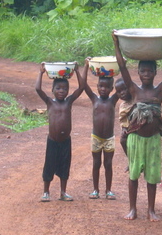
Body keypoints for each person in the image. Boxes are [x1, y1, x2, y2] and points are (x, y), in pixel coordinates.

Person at [113, 29, 162, 221]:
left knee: (151, 178)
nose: (146, 74)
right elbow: (122, 66)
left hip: (153, 141)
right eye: (143, 71)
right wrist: (116, 43)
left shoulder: (160, 90)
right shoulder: (133, 90)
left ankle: (151, 210)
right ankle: (132, 209)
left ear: (154, 72)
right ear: (138, 72)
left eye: (150, 71)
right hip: (135, 139)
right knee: (134, 176)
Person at [35, 62, 88, 202]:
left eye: (65, 89)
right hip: (52, 140)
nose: (61, 91)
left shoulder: (69, 102)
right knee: (49, 165)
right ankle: (46, 192)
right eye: (58, 88)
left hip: (66, 141)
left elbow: (82, 87)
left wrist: (77, 71)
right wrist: (41, 72)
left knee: (65, 166)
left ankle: (63, 192)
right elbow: (37, 89)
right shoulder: (49, 102)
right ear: (52, 90)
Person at [83, 58, 120, 200]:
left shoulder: (113, 100)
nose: (103, 89)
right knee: (96, 163)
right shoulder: (94, 99)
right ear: (97, 86)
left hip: (109, 138)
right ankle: (95, 189)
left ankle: (109, 190)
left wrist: (123, 66)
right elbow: (83, 85)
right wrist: (86, 66)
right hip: (96, 137)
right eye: (100, 86)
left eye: (106, 87)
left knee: (108, 164)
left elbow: (126, 84)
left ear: (112, 89)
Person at [115, 78, 133, 173]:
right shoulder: (122, 105)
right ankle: (130, 160)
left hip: (140, 127)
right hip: (129, 128)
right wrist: (123, 129)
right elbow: (122, 120)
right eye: (119, 92)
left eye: (124, 89)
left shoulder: (136, 98)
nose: (122, 93)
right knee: (122, 140)